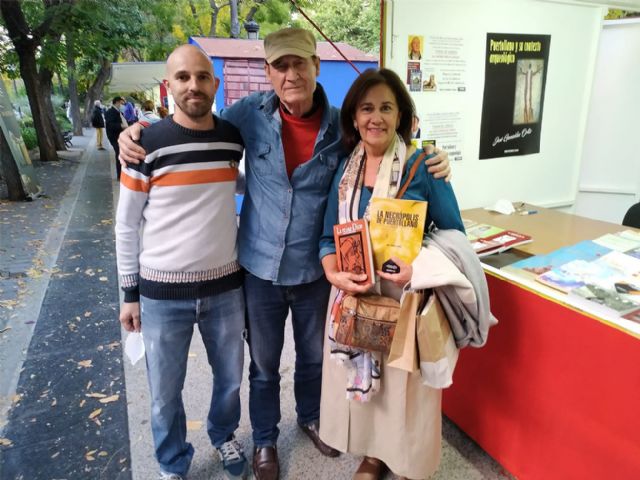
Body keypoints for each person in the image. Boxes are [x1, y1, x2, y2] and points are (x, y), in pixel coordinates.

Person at [117, 27, 451, 480]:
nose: (291, 73)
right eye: (280, 65)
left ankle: (311, 418)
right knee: (262, 366)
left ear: (316, 67)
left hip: (315, 270)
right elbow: (195, 123)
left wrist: (436, 155)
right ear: (268, 72)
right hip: (257, 269)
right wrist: (135, 132)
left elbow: (388, 143)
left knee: (314, 358)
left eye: (300, 63)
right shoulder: (246, 116)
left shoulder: (342, 126)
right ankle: (264, 440)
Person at [317, 68, 465, 480]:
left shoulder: (423, 167)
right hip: (354, 295)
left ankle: (407, 462)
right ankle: (375, 455)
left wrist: (416, 268)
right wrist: (334, 273)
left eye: (386, 107)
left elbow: (454, 236)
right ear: (353, 116)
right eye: (366, 108)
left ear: (401, 115)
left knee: (404, 389)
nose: (375, 117)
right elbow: (326, 238)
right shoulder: (346, 170)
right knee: (370, 388)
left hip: (404, 298)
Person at [115, 44, 248, 480]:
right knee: (163, 395)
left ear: (216, 82)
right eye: (183, 77)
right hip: (160, 296)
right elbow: (126, 225)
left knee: (229, 380)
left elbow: (240, 183)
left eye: (202, 76)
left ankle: (223, 435)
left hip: (225, 290)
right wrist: (129, 294)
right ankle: (173, 463)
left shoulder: (232, 139)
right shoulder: (146, 145)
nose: (194, 85)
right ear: (169, 85)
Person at [104, 96, 128, 180]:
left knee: (120, 154)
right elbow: (110, 125)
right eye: (122, 103)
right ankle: (120, 175)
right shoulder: (111, 112)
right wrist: (121, 126)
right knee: (119, 154)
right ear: (117, 102)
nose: (123, 105)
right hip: (114, 137)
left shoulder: (117, 111)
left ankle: (122, 174)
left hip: (119, 136)